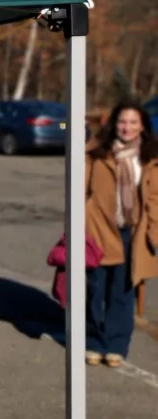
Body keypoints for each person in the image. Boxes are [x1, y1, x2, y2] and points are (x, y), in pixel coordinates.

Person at [84, 101, 158, 367]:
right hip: (99, 228)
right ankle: (93, 342)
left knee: (123, 290)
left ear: (142, 127)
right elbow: (80, 188)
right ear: (114, 123)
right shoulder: (97, 150)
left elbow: (155, 197)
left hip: (133, 232)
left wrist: (154, 230)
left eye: (133, 122)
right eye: (122, 122)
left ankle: (116, 345)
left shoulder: (150, 156)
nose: (127, 128)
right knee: (94, 289)